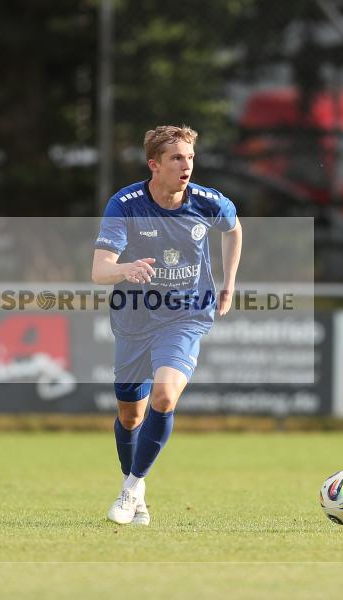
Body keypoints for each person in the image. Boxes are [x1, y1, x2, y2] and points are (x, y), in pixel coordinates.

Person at [92, 125, 242, 525]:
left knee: (164, 397)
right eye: (177, 158)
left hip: (186, 316)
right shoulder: (125, 204)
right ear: (154, 164)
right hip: (134, 318)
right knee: (130, 416)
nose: (186, 165)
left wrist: (229, 284)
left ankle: (130, 490)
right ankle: (135, 488)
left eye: (190, 157)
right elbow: (99, 270)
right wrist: (127, 268)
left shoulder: (207, 201)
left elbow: (234, 229)